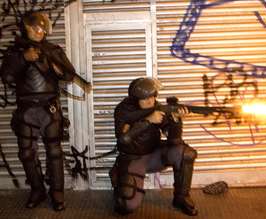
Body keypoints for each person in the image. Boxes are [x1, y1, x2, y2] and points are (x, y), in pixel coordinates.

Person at [0, 12, 91, 211]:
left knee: (55, 152)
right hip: (26, 110)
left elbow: (69, 73)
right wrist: (24, 58)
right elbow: (6, 77)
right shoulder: (16, 51)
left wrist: (59, 70)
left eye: (42, 28)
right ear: (26, 28)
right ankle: (37, 190)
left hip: (49, 109)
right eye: (35, 28)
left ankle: (57, 193)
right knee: (26, 153)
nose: (39, 32)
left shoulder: (53, 49)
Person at [110, 77, 198, 216]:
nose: (150, 101)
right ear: (135, 99)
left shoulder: (157, 107)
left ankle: (181, 198)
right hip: (133, 159)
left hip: (154, 154)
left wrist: (176, 121)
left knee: (186, 153)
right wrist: (148, 121)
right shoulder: (123, 110)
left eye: (152, 96)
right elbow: (123, 140)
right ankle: (119, 179)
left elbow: (174, 140)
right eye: (145, 98)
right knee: (126, 206)